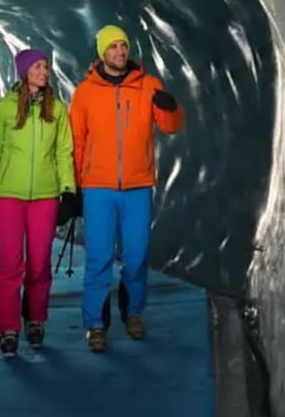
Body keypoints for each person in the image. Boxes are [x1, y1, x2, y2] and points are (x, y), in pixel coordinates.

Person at [69, 24, 184, 352]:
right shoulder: (85, 92)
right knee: (99, 257)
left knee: (136, 256)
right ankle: (94, 324)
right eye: (113, 47)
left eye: (124, 45)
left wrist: (171, 107)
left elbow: (171, 127)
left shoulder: (148, 86)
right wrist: (74, 186)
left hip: (137, 186)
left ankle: (133, 312)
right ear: (102, 53)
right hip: (98, 187)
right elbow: (77, 141)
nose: (120, 51)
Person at [0, 48, 77, 357]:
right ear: (24, 72)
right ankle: (7, 328)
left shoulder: (57, 110)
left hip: (45, 197)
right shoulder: (4, 109)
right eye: (37, 67)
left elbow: (63, 153)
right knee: (10, 266)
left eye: (46, 67)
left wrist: (68, 191)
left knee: (39, 265)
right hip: (8, 197)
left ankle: (35, 320)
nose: (44, 72)